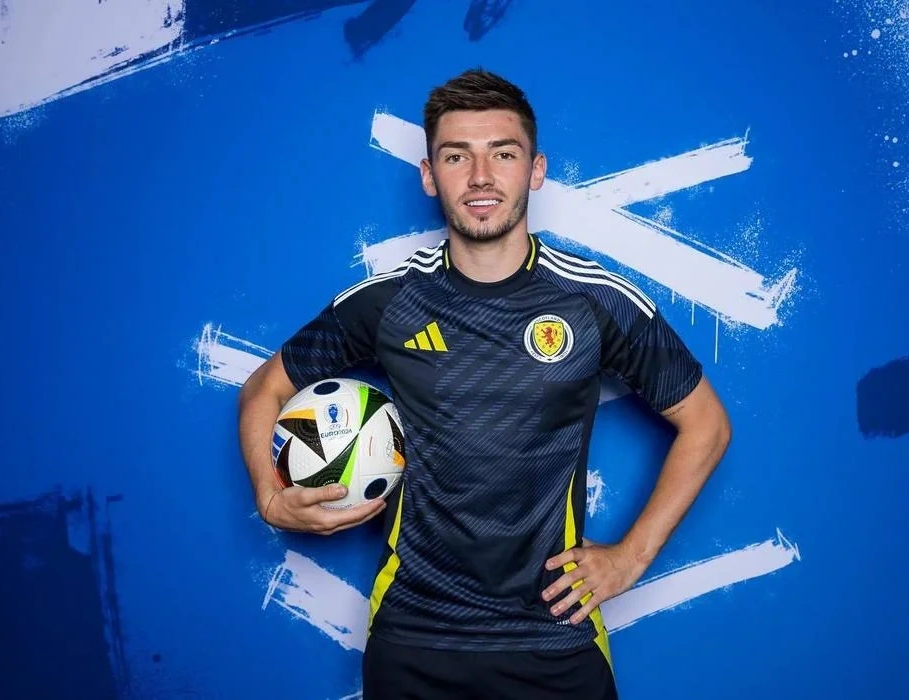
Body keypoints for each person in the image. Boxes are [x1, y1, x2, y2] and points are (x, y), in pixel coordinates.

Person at [238, 68, 732, 699]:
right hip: (413, 640)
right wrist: (269, 496)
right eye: (456, 156)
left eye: (503, 153)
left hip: (555, 640)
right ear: (428, 175)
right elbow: (263, 389)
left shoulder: (594, 301)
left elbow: (707, 424)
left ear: (536, 170)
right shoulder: (389, 301)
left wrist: (629, 557)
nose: (479, 176)